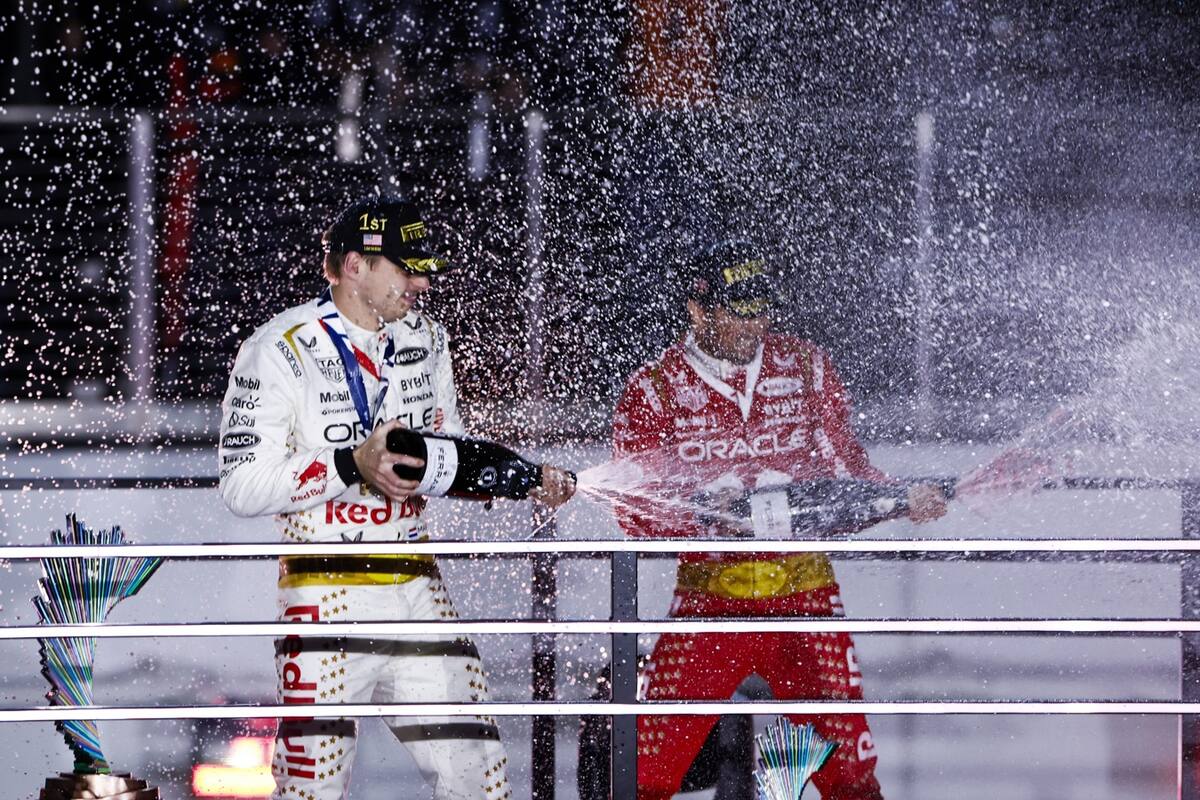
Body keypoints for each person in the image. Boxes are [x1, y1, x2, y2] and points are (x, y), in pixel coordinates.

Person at [218, 195, 575, 800]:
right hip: (324, 595)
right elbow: (240, 485)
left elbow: (446, 453)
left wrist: (520, 478)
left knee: (481, 777)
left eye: (426, 270)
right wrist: (350, 463)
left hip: (416, 585)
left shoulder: (427, 338)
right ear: (354, 265)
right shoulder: (279, 347)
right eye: (408, 269)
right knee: (311, 790)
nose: (423, 283)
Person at [612, 239, 947, 800]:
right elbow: (633, 511)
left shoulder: (805, 366)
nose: (755, 325)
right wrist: (706, 516)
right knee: (643, 771)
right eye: (738, 312)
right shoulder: (654, 389)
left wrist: (899, 497)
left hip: (805, 597)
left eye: (761, 309)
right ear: (698, 310)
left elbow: (848, 471)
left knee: (851, 777)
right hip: (709, 604)